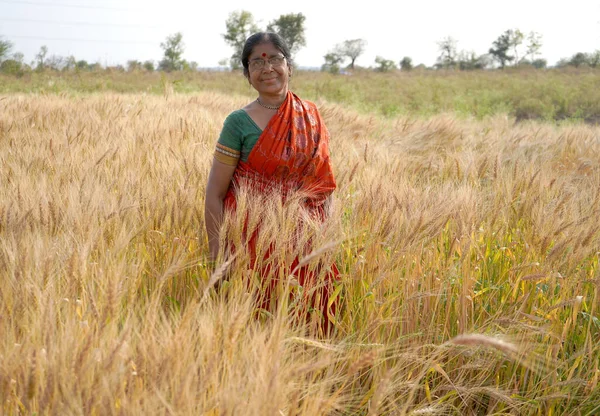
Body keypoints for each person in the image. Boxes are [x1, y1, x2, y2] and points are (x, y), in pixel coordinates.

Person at [204, 32, 339, 333]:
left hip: (307, 244)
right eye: (256, 62)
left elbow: (324, 187)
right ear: (247, 74)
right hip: (252, 243)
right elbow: (214, 194)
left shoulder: (311, 115)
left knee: (312, 324)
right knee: (256, 329)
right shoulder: (237, 122)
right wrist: (217, 255)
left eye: (275, 59)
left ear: (289, 66)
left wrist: (328, 238)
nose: (267, 69)